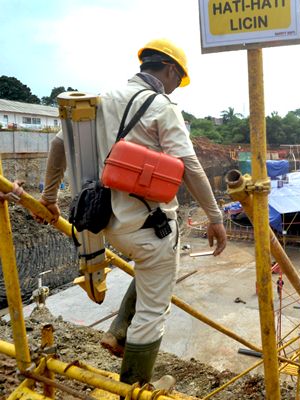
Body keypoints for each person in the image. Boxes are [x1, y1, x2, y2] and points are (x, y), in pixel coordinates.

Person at [34, 38, 227, 388]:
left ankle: (118, 331)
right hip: (148, 227)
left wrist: (48, 197)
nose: (174, 87)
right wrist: (215, 218)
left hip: (101, 221)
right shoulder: (162, 107)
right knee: (154, 310)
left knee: (153, 273)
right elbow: (190, 166)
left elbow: (61, 143)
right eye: (176, 80)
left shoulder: (99, 101)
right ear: (170, 70)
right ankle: (134, 386)